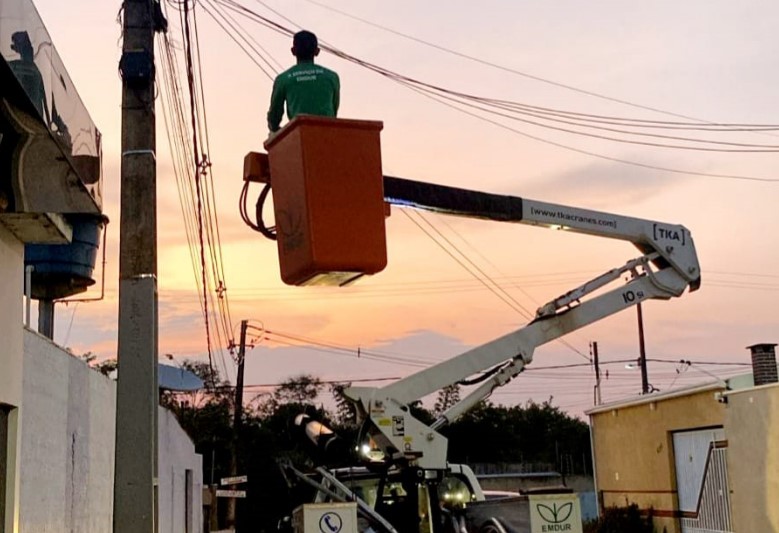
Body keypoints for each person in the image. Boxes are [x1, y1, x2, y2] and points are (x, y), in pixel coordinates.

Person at [266, 30, 339, 135]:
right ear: (317, 51)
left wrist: (274, 129)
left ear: (293, 51)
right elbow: (334, 111)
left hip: (300, 137)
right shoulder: (332, 77)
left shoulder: (283, 79)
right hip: (329, 134)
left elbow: (274, 118)